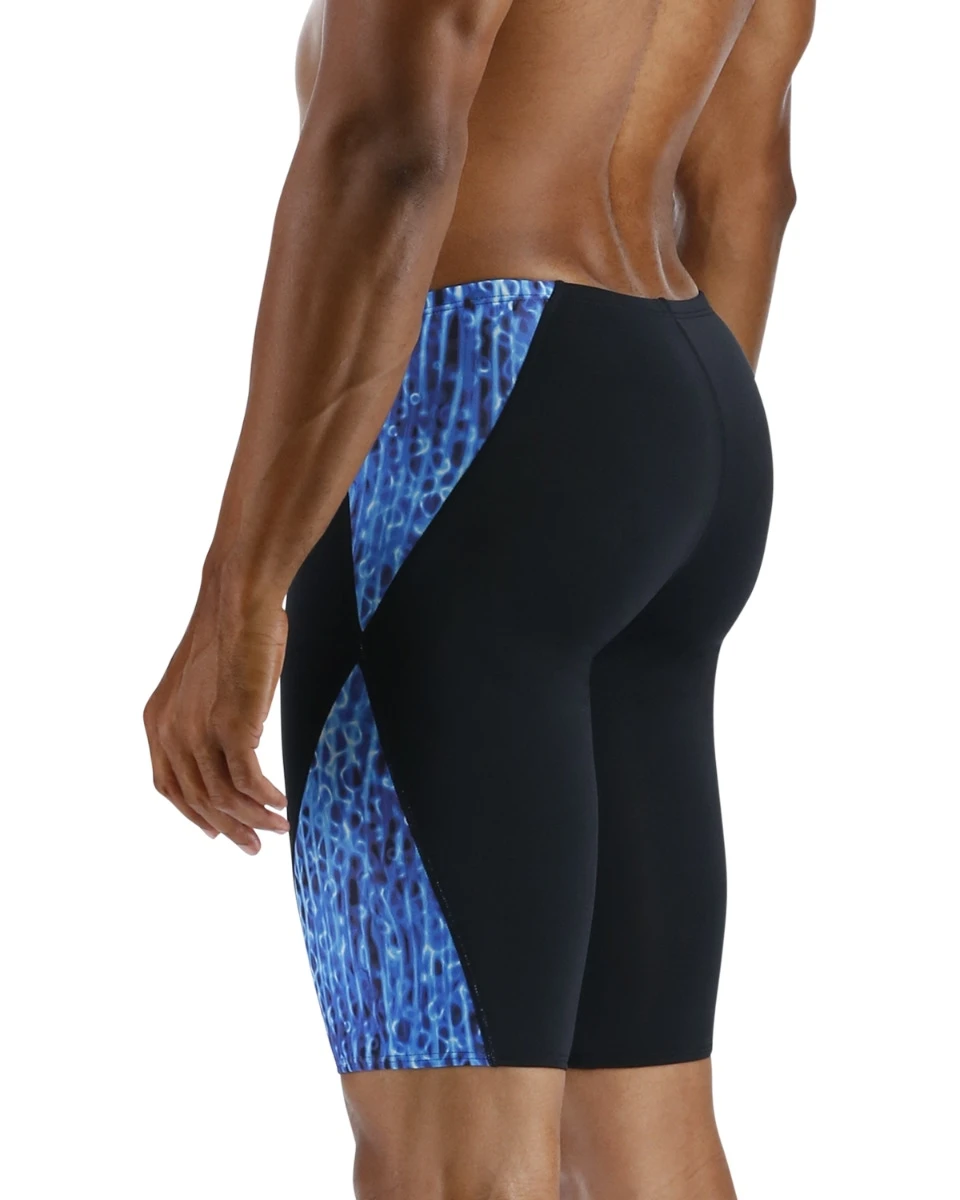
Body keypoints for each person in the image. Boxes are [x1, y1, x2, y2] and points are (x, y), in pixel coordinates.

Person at [144, 0, 814, 1194]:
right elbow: (746, 181)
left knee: (447, 1165)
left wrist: (238, 591)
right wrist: (624, 481)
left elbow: (387, 147)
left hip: (468, 420)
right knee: (641, 1142)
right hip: (683, 398)